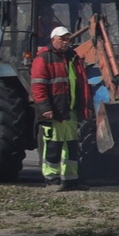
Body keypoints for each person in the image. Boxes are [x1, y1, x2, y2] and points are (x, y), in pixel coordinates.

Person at [30, 24, 92, 189]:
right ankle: (52, 180)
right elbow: (38, 87)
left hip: (69, 111)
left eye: (67, 39)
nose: (65, 42)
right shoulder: (43, 58)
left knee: (71, 147)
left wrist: (85, 107)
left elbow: (81, 85)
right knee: (53, 147)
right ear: (53, 40)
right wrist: (46, 109)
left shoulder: (73, 58)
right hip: (54, 112)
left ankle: (71, 180)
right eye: (62, 39)